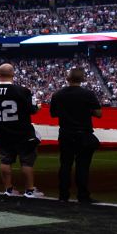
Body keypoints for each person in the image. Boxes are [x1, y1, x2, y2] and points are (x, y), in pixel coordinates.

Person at [0, 64, 43, 198]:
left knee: (5, 161)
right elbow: (32, 110)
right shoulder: (21, 91)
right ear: (13, 74)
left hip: (1, 132)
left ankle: (8, 190)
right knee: (26, 162)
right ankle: (30, 191)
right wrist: (38, 107)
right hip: (22, 133)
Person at [49, 68, 102, 204]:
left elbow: (53, 114)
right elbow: (98, 114)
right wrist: (85, 111)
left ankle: (63, 195)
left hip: (66, 133)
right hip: (83, 134)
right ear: (83, 79)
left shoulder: (58, 94)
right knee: (82, 166)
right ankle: (83, 195)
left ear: (68, 79)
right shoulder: (88, 94)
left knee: (65, 165)